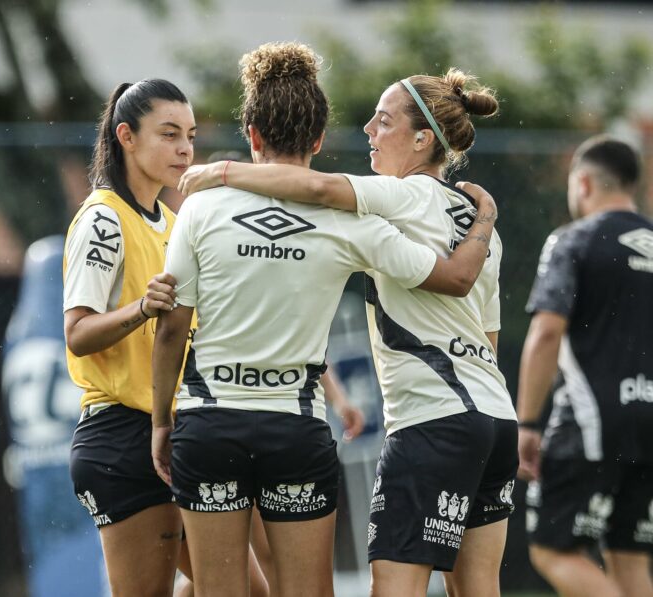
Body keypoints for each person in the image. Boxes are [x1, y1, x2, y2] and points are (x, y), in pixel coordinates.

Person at [152, 43, 500, 597]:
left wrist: (159, 419)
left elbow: (172, 324)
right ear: (318, 140)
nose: (369, 131)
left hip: (210, 421)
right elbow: (455, 279)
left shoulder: (200, 205)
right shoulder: (354, 224)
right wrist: (484, 217)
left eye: (381, 122)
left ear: (251, 133)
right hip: (302, 425)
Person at [63, 79, 196, 596]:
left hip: (172, 434)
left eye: (188, 134)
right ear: (127, 137)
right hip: (123, 437)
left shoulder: (172, 221)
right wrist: (142, 308)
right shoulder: (103, 219)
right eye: (168, 134)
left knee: (240, 586)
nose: (184, 148)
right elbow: (77, 333)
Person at [516, 136, 653, 597]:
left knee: (554, 550)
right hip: (650, 424)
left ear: (584, 182)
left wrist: (528, 422)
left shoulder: (574, 240)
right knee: (629, 557)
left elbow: (547, 334)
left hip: (592, 422)